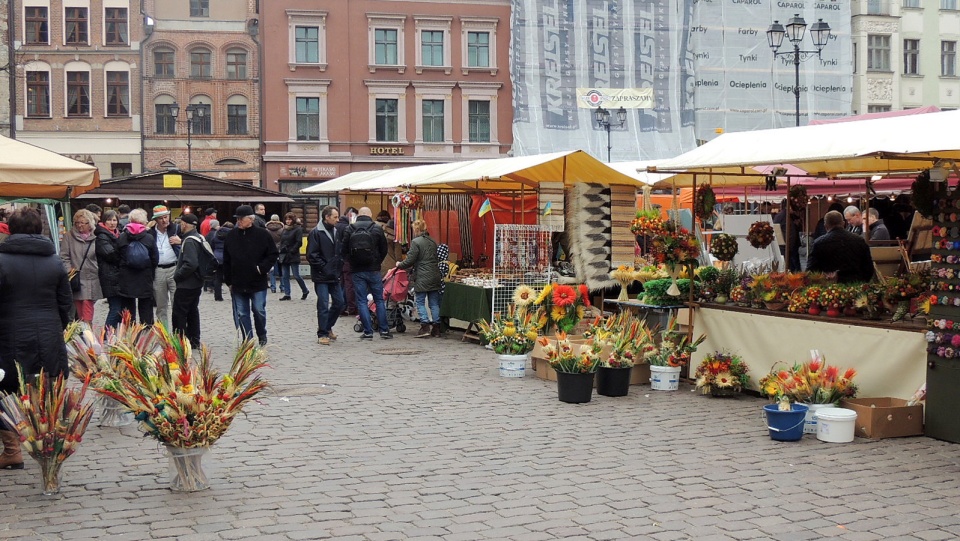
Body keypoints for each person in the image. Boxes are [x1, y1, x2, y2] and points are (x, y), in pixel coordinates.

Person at [0, 208, 72, 471]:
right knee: (45, 389)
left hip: (10, 334)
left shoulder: (1, 260)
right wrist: (57, 327)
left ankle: (12, 450)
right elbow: (66, 304)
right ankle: (46, 441)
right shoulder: (53, 261)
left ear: (11, 229)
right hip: (48, 333)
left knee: (7, 390)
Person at [223, 205, 278, 346]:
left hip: (257, 280)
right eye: (238, 219)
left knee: (259, 310)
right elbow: (226, 259)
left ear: (251, 219)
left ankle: (262, 334)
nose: (239, 221)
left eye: (242, 219)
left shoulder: (263, 234)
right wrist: (228, 280)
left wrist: (262, 268)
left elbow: (273, 254)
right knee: (242, 313)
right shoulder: (231, 235)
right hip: (238, 281)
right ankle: (247, 338)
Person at [343, 207, 391, 339]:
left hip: (357, 270)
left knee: (362, 301)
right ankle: (384, 331)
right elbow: (384, 249)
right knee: (379, 300)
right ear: (370, 215)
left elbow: (343, 250)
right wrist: (377, 262)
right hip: (374, 269)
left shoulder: (350, 229)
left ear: (359, 215)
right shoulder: (377, 228)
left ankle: (368, 332)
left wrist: (352, 262)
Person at [397, 219, 443, 338]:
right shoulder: (433, 241)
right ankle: (437, 328)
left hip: (422, 276)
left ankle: (425, 326)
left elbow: (410, 260)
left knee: (420, 301)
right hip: (434, 275)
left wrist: (399, 265)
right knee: (434, 303)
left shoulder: (416, 242)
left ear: (416, 229)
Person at [307, 206, 345, 345]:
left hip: (334, 275)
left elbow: (338, 252)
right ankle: (322, 333)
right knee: (323, 304)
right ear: (326, 217)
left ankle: (327, 326)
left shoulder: (336, 231)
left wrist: (338, 264)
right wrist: (325, 267)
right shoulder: (316, 233)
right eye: (335, 217)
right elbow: (312, 255)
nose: (337, 219)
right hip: (321, 275)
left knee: (339, 302)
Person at [806, 210, 874, 284]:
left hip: (829, 289)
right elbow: (869, 269)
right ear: (843, 223)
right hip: (855, 286)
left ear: (825, 226)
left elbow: (811, 271)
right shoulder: (859, 240)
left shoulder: (818, 243)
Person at [117, 209, 159, 324]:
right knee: (146, 307)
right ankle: (146, 334)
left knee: (127, 308)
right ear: (144, 222)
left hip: (126, 277)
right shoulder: (149, 237)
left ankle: (130, 334)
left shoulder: (122, 237)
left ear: (130, 220)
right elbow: (155, 258)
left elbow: (117, 256)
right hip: (144, 277)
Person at [61, 208, 102, 324]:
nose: (79, 226)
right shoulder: (69, 236)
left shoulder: (97, 237)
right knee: (79, 308)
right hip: (76, 278)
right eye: (77, 223)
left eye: (83, 223)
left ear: (90, 223)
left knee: (88, 306)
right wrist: (70, 271)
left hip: (92, 276)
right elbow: (64, 256)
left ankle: (87, 333)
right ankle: (84, 333)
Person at [172, 214, 207, 348]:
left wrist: (178, 275)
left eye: (181, 223)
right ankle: (194, 340)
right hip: (196, 282)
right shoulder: (199, 237)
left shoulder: (189, 241)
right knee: (193, 311)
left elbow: (191, 264)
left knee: (179, 313)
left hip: (187, 283)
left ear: (184, 224)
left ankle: (180, 342)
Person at [149, 205, 180, 329]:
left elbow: (193, 241)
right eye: (161, 218)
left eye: (166, 217)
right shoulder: (150, 232)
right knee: (161, 305)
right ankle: (164, 334)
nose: (164, 220)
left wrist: (181, 241)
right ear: (155, 220)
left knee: (176, 303)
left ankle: (178, 333)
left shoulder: (177, 229)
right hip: (158, 270)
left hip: (174, 268)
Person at [95, 209, 124, 330]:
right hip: (109, 276)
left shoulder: (117, 234)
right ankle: (107, 333)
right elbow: (110, 255)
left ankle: (114, 333)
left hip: (117, 276)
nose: (112, 223)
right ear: (104, 221)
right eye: (109, 220)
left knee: (120, 308)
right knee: (115, 307)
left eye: (114, 220)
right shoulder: (102, 236)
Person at [278, 212, 309, 301]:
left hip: (293, 254)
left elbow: (299, 242)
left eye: (290, 219)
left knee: (296, 275)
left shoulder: (298, 229)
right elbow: (282, 241)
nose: (288, 221)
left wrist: (292, 250)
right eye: (286, 219)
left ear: (293, 220)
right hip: (284, 254)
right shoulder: (284, 229)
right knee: (285, 275)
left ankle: (305, 290)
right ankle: (287, 294)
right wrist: (280, 249)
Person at [337, 207, 359, 316]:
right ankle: (350, 306)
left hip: (338, 259)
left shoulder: (336, 226)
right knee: (349, 284)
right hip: (347, 259)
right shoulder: (348, 227)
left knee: (342, 283)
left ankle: (341, 306)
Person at [773, 198, 802, 272]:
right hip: (786, 247)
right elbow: (786, 233)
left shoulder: (781, 216)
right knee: (788, 267)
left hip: (786, 246)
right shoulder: (784, 216)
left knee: (790, 266)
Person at [206, 219, 226, 301]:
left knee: (218, 278)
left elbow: (212, 246)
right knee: (230, 276)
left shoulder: (215, 237)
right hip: (225, 258)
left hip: (217, 258)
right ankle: (234, 295)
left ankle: (218, 296)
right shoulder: (227, 236)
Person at [266, 214, 284, 294]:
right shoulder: (282, 229)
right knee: (282, 270)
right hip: (280, 251)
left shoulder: (267, 229)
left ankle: (273, 287)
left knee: (272, 270)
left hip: (270, 251)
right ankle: (282, 287)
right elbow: (283, 241)